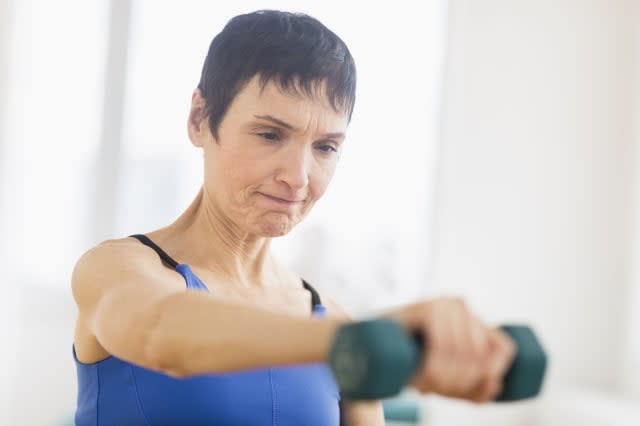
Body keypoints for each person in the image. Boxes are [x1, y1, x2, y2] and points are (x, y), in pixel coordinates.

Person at [71, 9, 516, 426]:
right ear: (199, 119)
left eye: (325, 147)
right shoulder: (116, 269)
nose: (298, 178)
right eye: (270, 134)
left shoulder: (334, 324)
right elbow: (162, 334)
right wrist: (355, 342)